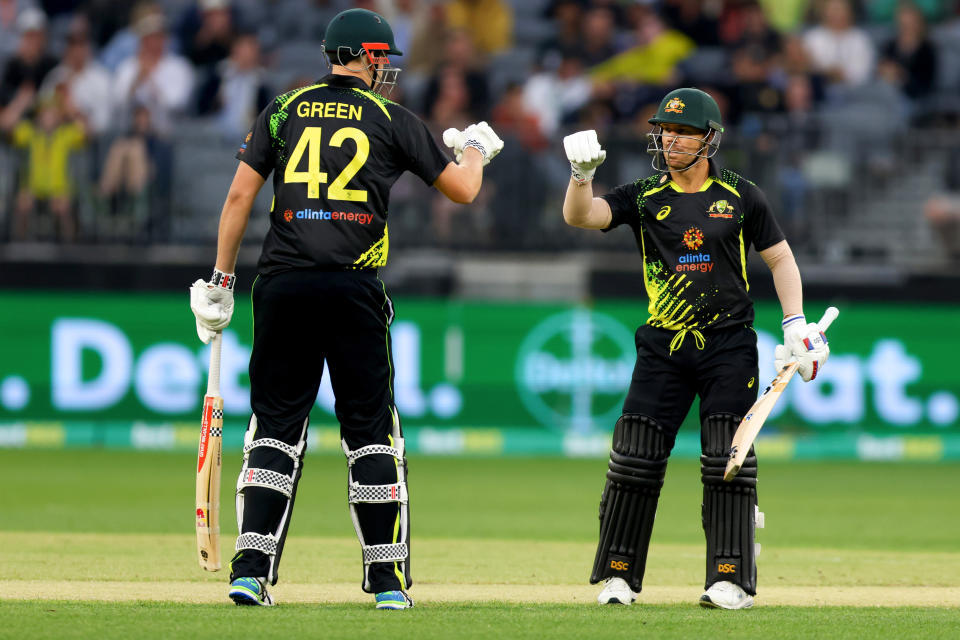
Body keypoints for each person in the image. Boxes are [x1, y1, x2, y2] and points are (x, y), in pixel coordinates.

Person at [188, 7, 503, 610]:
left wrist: (221, 279)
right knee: (371, 435)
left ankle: (250, 572)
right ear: (368, 56)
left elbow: (237, 197)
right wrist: (475, 151)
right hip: (354, 289)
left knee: (275, 429)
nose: (389, 70)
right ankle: (386, 584)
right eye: (384, 58)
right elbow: (463, 191)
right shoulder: (390, 117)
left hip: (283, 285)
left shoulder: (283, 108)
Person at [560, 87, 832, 609]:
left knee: (727, 460)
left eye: (684, 132)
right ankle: (619, 576)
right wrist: (579, 177)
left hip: (728, 343)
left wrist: (795, 321)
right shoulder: (644, 195)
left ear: (709, 139)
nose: (671, 139)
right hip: (663, 343)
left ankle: (729, 578)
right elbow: (582, 217)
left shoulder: (740, 194)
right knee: (635, 459)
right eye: (666, 129)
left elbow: (781, 259)